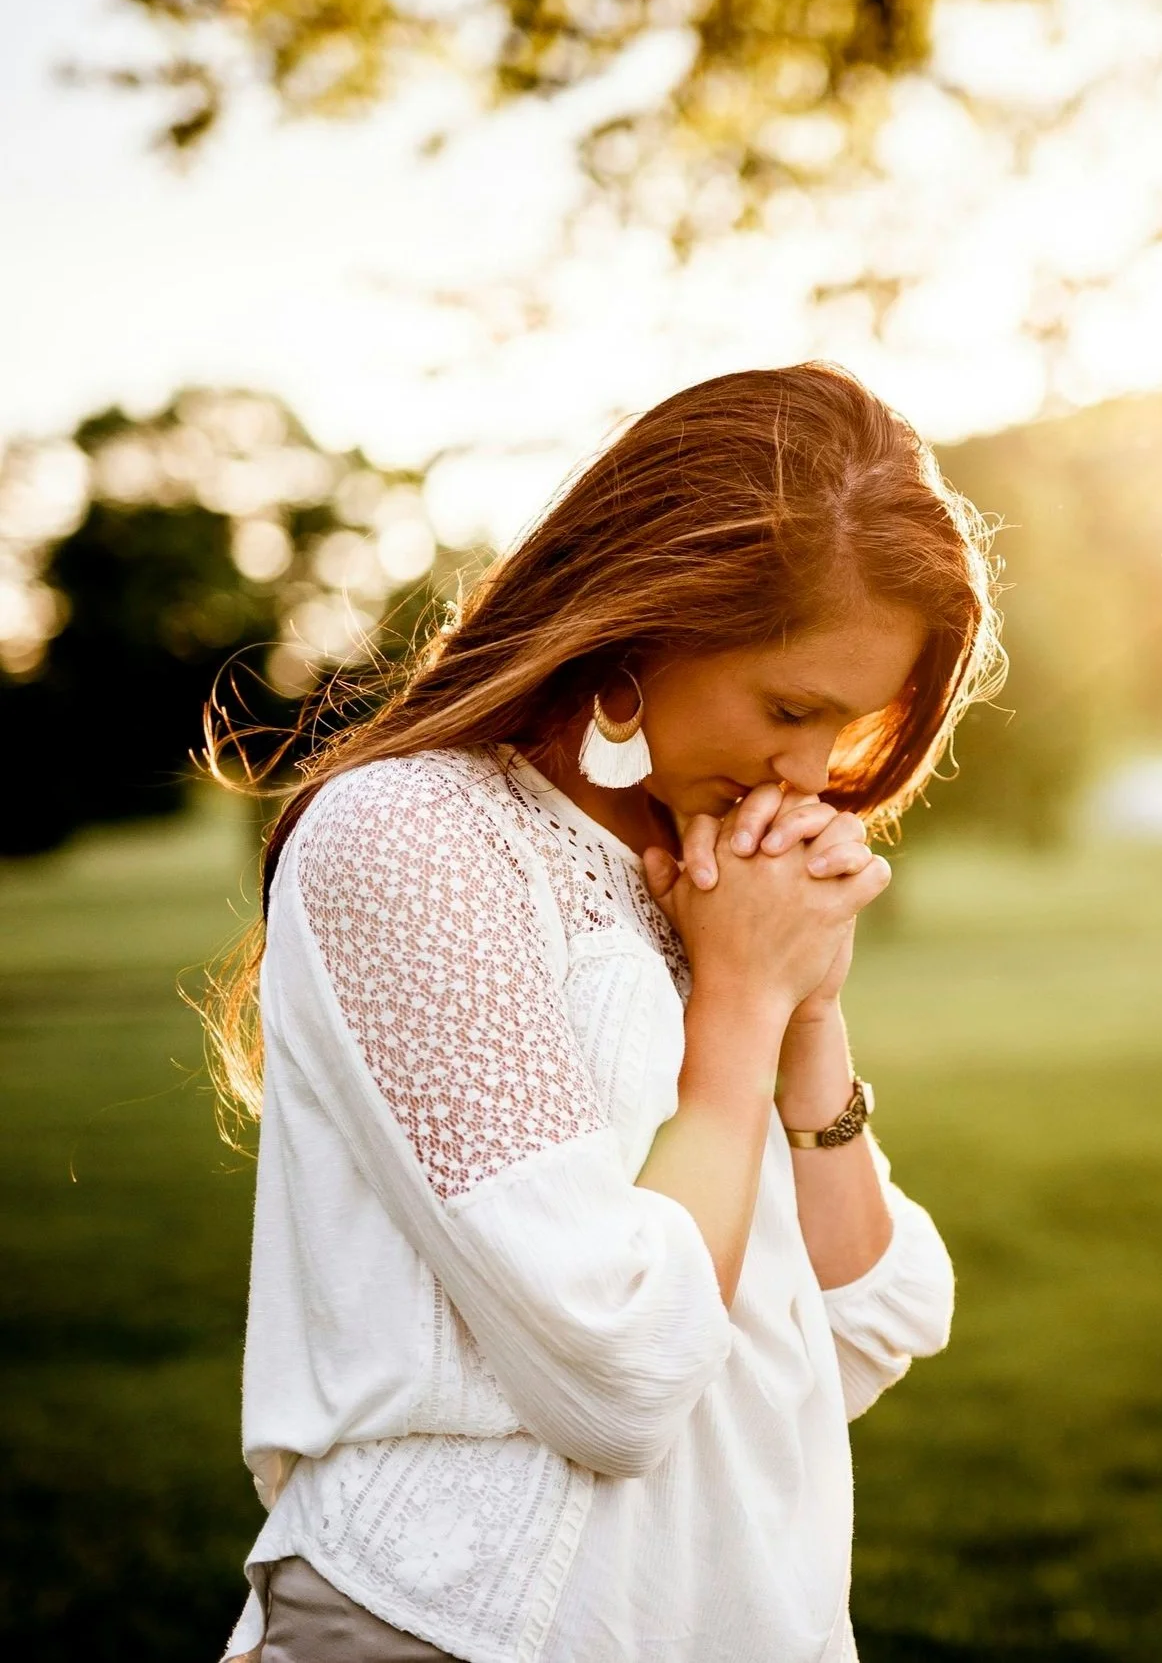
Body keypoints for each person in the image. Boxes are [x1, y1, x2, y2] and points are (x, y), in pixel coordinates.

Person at [205, 360, 1005, 1663]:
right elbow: (622, 1370)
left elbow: (865, 1322)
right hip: (447, 1627)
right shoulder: (416, 841)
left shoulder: (708, 874)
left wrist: (806, 1010)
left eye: (847, 726)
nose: (810, 775)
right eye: (788, 708)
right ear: (645, 624)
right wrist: (741, 1003)